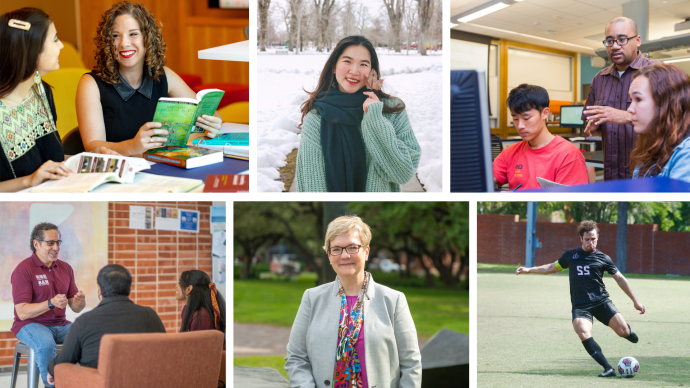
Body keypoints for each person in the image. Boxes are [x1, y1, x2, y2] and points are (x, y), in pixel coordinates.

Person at [285, 215, 421, 388]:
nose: (345, 255)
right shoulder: (312, 298)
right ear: (329, 255)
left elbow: (411, 364)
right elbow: (296, 357)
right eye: (336, 249)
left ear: (366, 251)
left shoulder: (393, 301)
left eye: (352, 247)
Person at [76, 1, 223, 157]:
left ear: (147, 38)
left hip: (162, 168)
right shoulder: (91, 84)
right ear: (107, 42)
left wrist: (213, 122)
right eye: (115, 36)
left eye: (133, 34)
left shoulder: (164, 75)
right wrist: (132, 147)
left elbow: (212, 113)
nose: (124, 43)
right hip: (117, 173)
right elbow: (92, 146)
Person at [0, 8, 115, 192]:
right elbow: (34, 176)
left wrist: (91, 159)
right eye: (55, 39)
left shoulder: (41, 91)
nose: (61, 46)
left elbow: (53, 163)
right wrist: (29, 181)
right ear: (32, 49)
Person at [516, 220, 645, 377]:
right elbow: (551, 267)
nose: (590, 242)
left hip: (601, 302)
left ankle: (627, 332)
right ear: (581, 239)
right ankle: (607, 368)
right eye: (587, 239)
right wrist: (529, 270)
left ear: (597, 237)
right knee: (583, 332)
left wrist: (635, 301)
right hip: (581, 306)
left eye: (593, 239)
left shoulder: (604, 258)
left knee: (623, 331)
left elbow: (620, 279)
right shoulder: (571, 256)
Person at [294, 35, 421, 192]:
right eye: (347, 61)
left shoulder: (392, 109)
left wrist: (375, 120)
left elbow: (403, 173)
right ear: (334, 66)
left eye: (363, 64)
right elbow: (312, 186)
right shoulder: (316, 117)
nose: (354, 71)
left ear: (371, 71)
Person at [46, 264, 166, 386]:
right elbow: (164, 354)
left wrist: (51, 370)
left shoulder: (84, 322)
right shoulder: (151, 316)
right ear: (129, 288)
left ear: (100, 290)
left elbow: (64, 360)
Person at [582, 16, 658, 181]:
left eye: (622, 40)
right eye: (609, 41)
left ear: (637, 40)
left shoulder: (658, 72)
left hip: (648, 174)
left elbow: (675, 120)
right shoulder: (599, 78)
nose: (615, 46)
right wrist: (594, 125)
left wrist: (627, 117)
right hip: (612, 174)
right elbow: (589, 122)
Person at [11, 222, 86, 388]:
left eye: (58, 242)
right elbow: (22, 312)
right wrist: (51, 303)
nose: (56, 247)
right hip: (29, 324)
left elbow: (74, 306)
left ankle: (80, 382)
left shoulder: (66, 268)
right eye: (50, 243)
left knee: (86, 336)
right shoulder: (23, 270)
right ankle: (53, 385)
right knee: (46, 344)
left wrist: (80, 302)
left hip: (60, 324)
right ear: (36, 244)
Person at [493, 84, 588, 190]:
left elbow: (569, 202)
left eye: (526, 118)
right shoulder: (509, 153)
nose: (520, 126)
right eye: (515, 119)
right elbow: (486, 179)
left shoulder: (568, 155)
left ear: (545, 113)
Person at [628, 64, 690, 181]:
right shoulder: (654, 144)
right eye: (631, 100)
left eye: (638, 99)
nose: (630, 109)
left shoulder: (686, 153)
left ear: (666, 103)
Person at [176, 270, 226, 339]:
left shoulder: (201, 316)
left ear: (189, 289)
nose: (176, 286)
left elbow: (198, 346)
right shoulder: (187, 309)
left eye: (180, 283)